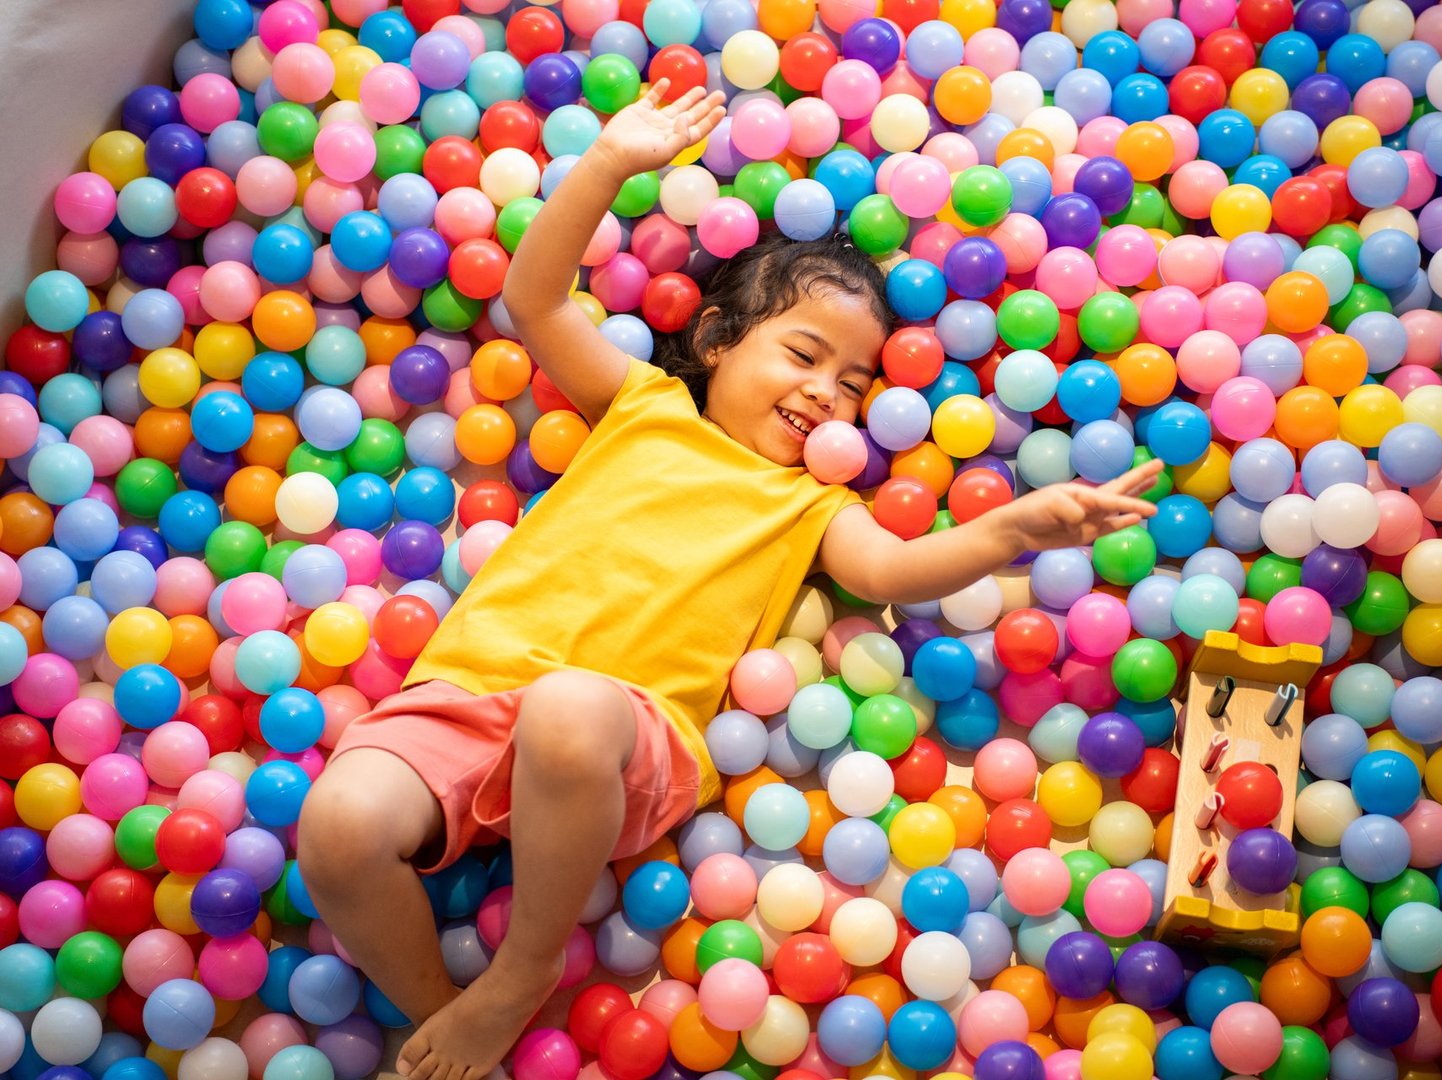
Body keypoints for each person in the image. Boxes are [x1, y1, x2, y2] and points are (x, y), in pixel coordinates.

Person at [296, 81, 1162, 1080]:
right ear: (714, 343)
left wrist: (1012, 527)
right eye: (804, 354)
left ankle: (520, 972)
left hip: (621, 729)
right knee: (339, 823)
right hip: (467, 692)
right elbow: (533, 298)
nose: (824, 393)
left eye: (851, 385)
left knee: (569, 712)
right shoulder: (643, 406)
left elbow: (899, 568)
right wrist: (610, 163)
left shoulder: (808, 504)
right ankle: (445, 1017)